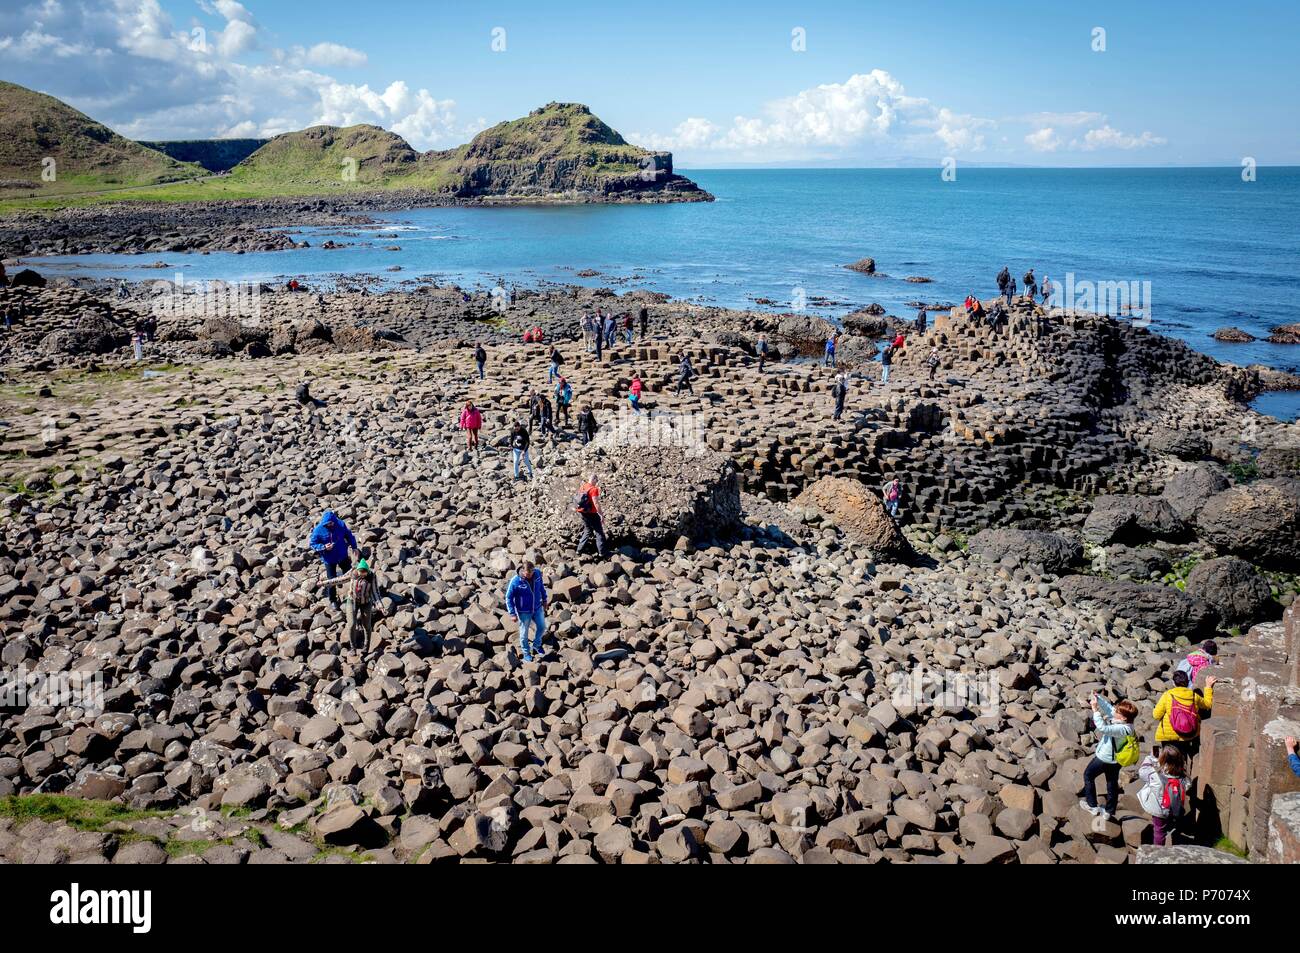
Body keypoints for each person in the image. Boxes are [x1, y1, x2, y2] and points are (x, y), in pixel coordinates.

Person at [1080, 695, 1140, 821]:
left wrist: (1095, 710)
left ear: (1123, 717)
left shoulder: (1121, 728)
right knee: (1111, 783)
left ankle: (1092, 806)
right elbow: (1109, 709)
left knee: (1088, 775)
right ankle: (1109, 811)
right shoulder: (1127, 723)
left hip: (1105, 758)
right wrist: (1098, 698)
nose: (1115, 711)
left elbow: (1103, 728)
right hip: (1116, 760)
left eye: (1118, 711)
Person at [319, 558, 381, 650]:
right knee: (351, 624)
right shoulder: (352, 573)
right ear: (358, 570)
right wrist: (324, 583)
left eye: (364, 573)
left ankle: (366, 647)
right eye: (361, 572)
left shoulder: (371, 576)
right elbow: (339, 579)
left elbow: (375, 592)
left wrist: (380, 606)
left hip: (366, 602)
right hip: (352, 601)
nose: (362, 575)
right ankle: (353, 647)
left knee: (367, 625)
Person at [1152, 669, 1215, 759]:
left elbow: (1156, 715)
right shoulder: (1193, 696)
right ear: (1187, 682)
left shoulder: (1168, 695)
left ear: (1174, 683)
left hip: (1168, 734)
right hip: (1187, 734)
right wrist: (1208, 687)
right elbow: (1208, 704)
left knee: (1168, 759)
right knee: (1181, 758)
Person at [1138, 744, 1188, 845]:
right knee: (1169, 824)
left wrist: (1150, 758)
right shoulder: (1183, 776)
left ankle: (1158, 851)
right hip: (1174, 807)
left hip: (1159, 809)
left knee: (1159, 831)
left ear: (1163, 759)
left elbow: (1142, 772)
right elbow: (1187, 785)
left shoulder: (1155, 775)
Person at [309, 510, 358, 608]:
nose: (330, 525)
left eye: (331, 523)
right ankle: (333, 600)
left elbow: (348, 535)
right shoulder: (318, 530)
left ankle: (353, 593)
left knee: (350, 574)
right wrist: (324, 547)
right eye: (327, 524)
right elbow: (312, 544)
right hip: (329, 559)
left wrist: (354, 547)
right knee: (331, 580)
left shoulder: (340, 524)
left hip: (342, 555)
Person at [505, 561, 548, 664]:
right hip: (524, 611)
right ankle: (526, 653)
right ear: (523, 571)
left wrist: (545, 600)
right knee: (524, 634)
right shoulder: (516, 581)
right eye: (528, 574)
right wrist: (512, 613)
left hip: (537, 607)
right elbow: (508, 597)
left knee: (542, 627)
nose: (530, 575)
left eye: (532, 573)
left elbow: (541, 587)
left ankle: (537, 645)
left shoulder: (537, 573)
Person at [575, 476, 606, 558]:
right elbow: (596, 503)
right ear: (593, 479)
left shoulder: (583, 486)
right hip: (591, 513)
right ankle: (602, 553)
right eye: (596, 480)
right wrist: (601, 515)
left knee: (588, 531)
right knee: (599, 532)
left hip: (582, 512)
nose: (597, 482)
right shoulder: (594, 489)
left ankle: (579, 550)